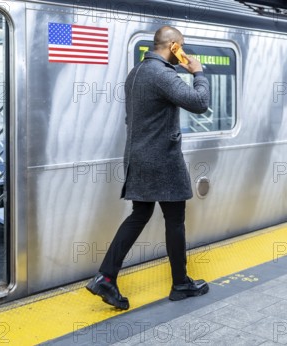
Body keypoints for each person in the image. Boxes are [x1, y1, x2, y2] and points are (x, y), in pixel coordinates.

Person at [86, 26, 211, 310]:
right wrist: (198, 73)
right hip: (162, 159)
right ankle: (181, 283)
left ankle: (106, 276)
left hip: (138, 157)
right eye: (182, 48)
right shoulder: (163, 74)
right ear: (175, 46)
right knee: (175, 218)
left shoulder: (136, 73)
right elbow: (199, 103)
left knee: (140, 213)